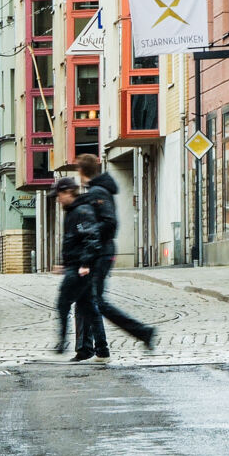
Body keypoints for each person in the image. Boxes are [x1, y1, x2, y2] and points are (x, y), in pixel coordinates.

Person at [74, 154, 156, 356]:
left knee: (95, 301)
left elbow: (109, 223)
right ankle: (96, 348)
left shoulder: (97, 192)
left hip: (101, 253)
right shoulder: (96, 191)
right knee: (88, 300)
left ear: (81, 171)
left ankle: (142, 332)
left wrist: (88, 230)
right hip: (99, 252)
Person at [51, 176, 109, 362]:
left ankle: (61, 344)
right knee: (89, 308)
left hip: (79, 269)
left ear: (68, 192)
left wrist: (83, 264)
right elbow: (75, 241)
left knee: (63, 304)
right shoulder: (74, 211)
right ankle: (101, 349)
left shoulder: (81, 211)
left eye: (59, 195)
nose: (58, 199)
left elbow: (91, 238)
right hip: (77, 266)